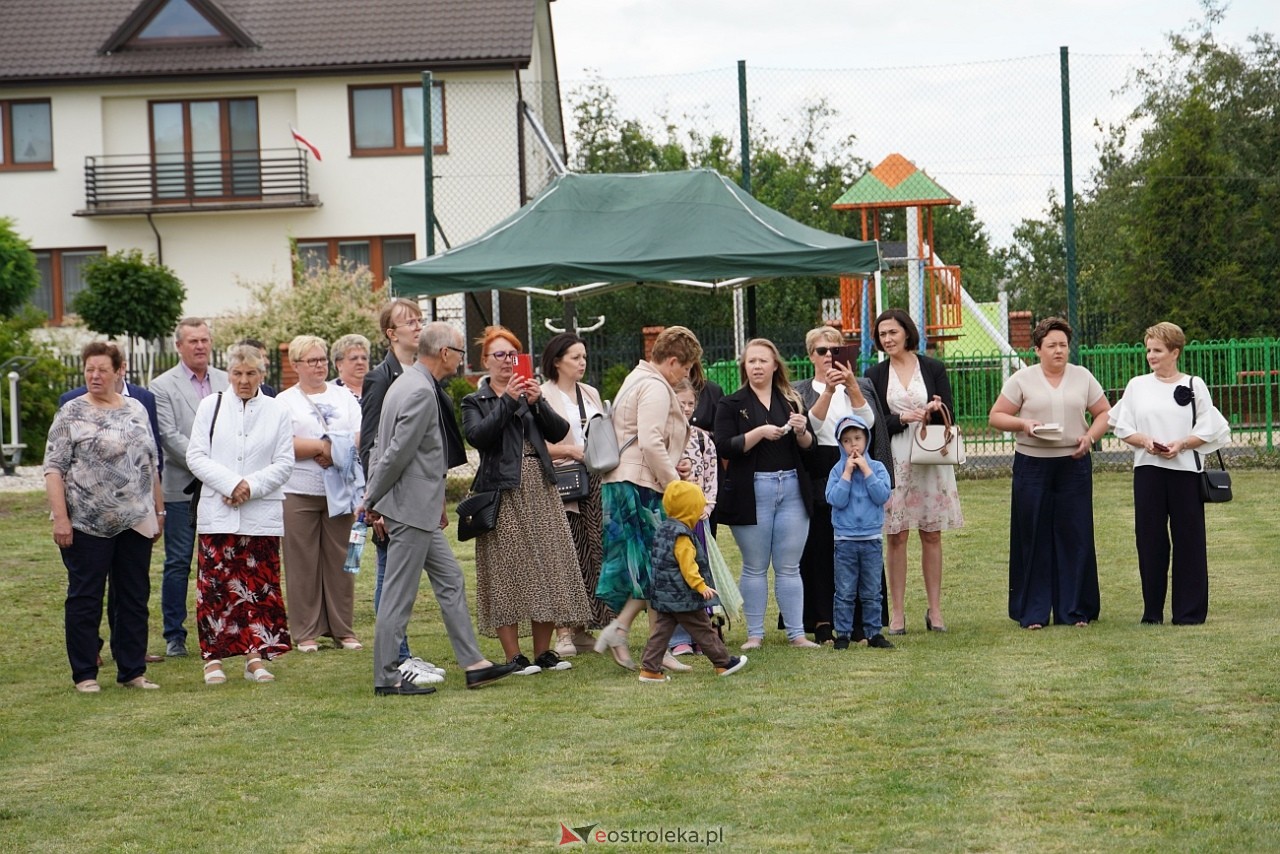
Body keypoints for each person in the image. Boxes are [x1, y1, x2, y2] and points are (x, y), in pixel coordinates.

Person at [364, 330, 519, 696]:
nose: (462, 359)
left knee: (451, 580)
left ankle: (474, 664)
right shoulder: (418, 390)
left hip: (415, 507)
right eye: (460, 352)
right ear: (445, 352)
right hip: (410, 509)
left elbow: (379, 447)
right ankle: (386, 676)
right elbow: (397, 452)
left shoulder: (408, 383)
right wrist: (372, 498)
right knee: (398, 596)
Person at [461, 325, 594, 675]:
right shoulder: (475, 401)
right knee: (506, 571)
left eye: (513, 355)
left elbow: (558, 432)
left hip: (541, 487)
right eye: (500, 355)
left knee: (546, 566)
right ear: (485, 361)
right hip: (502, 490)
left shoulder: (531, 396)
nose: (507, 362)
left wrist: (537, 403)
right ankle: (513, 656)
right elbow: (479, 436)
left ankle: (543, 652)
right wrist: (507, 401)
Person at [45, 342, 163, 692]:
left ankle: (132, 670)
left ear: (118, 371)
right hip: (86, 523)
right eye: (89, 370)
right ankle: (84, 673)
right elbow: (53, 469)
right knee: (86, 597)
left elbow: (151, 463)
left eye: (101, 369)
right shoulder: (71, 412)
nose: (94, 376)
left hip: (136, 521)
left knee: (133, 596)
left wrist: (158, 511)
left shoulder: (138, 409)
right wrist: (60, 518)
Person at [988, 317, 1111, 629]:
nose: (1059, 351)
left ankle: (1075, 610)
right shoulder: (1022, 380)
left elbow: (1104, 413)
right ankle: (1034, 612)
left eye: (1063, 345)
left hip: (1074, 464)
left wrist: (1090, 438)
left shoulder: (1082, 377)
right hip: (1032, 466)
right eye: (1052, 345)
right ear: (1037, 350)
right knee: (1034, 535)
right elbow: (997, 416)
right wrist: (1024, 424)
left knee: (1076, 535)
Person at [593, 326, 703, 670]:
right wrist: (676, 486)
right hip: (639, 484)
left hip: (628, 481)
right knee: (655, 567)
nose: (686, 375)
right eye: (685, 368)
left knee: (649, 569)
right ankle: (627, 633)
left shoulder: (636, 377)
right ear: (672, 361)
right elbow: (651, 442)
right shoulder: (655, 387)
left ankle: (645, 643)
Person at [185, 345, 295, 684]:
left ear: (262, 375)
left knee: (257, 590)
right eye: (237, 374)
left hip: (259, 514)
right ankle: (213, 658)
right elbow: (197, 456)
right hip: (218, 511)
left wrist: (250, 486)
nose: (244, 381)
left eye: (250, 374)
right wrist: (231, 485)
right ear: (228, 374)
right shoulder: (211, 406)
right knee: (215, 587)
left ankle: (255, 656)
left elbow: (284, 462)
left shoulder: (277, 410)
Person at [1110, 321, 1231, 625]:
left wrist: (1183, 443)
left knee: (1189, 540)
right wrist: (1146, 442)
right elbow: (1123, 426)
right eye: (1148, 349)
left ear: (1175, 352)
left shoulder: (1194, 384)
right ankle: (1152, 612)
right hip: (1148, 472)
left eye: (1158, 350)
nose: (1151, 355)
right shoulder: (1137, 385)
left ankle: (1189, 613)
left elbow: (1213, 428)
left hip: (1185, 474)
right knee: (1149, 540)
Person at [865, 309, 964, 634]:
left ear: (907, 332)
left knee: (931, 533)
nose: (888, 339)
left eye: (892, 332)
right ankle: (896, 613)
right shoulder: (875, 373)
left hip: (929, 456)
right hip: (892, 457)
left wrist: (933, 411)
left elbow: (948, 409)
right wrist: (901, 419)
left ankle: (935, 611)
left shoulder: (933, 367)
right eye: (882, 335)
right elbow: (875, 421)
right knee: (896, 535)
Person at [714, 338, 817, 650]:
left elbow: (810, 449)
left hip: (792, 489)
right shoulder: (731, 404)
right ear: (744, 367)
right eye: (751, 361)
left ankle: (797, 634)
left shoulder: (793, 401)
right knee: (754, 565)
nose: (757, 366)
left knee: (789, 566)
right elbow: (723, 445)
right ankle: (754, 634)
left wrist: (801, 430)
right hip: (752, 489)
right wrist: (757, 434)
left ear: (775, 365)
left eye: (762, 361)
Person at [794, 325, 892, 644]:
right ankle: (822, 620)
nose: (828, 357)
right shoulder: (801, 389)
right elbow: (812, 426)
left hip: (859, 469)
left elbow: (872, 422)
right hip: (821, 470)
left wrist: (850, 386)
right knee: (821, 549)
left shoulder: (861, 384)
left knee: (863, 548)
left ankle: (866, 624)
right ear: (811, 356)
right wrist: (828, 391)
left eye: (835, 350)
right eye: (821, 351)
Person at [278, 335, 363, 653]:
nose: (318, 366)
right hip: (299, 491)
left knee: (344, 560)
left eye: (322, 360)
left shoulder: (344, 397)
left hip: (341, 491)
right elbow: (283, 443)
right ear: (296, 365)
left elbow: (360, 434)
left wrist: (333, 450)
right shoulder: (284, 401)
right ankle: (306, 631)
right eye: (311, 361)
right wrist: (322, 447)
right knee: (302, 563)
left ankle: (344, 628)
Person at [151, 317, 229, 657]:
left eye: (204, 340)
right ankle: (174, 635)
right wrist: (211, 468)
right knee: (179, 561)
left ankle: (222, 630)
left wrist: (223, 476)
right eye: (192, 341)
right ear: (179, 346)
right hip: (183, 487)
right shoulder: (161, 386)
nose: (200, 346)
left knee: (222, 561)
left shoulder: (228, 380)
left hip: (225, 488)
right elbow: (169, 437)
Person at [539, 332, 612, 658]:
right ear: (557, 361)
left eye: (584, 357)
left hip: (594, 483)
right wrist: (570, 450)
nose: (582, 362)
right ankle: (563, 631)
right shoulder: (542, 395)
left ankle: (584, 627)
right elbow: (535, 445)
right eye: (575, 357)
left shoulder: (591, 393)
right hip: (561, 483)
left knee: (591, 555)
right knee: (563, 557)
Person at [360, 298, 424, 666]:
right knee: (389, 574)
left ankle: (402, 654)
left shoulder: (420, 373)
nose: (418, 326)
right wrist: (376, 502)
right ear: (391, 333)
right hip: (390, 498)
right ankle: (395, 657)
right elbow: (370, 444)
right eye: (409, 322)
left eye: (419, 320)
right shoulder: (380, 378)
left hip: (417, 495)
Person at [638, 480, 748, 683]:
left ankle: (650, 669)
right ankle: (723, 662)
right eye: (698, 507)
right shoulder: (682, 537)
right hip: (683, 596)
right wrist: (700, 586)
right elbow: (687, 567)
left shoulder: (664, 529)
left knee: (661, 632)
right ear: (689, 510)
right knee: (703, 629)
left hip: (663, 594)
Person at [826, 415, 894, 650]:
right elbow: (835, 499)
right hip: (844, 541)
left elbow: (882, 495)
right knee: (844, 590)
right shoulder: (837, 470)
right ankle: (843, 633)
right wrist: (846, 475)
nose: (853, 444)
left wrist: (866, 471)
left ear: (866, 439)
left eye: (857, 438)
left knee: (872, 590)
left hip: (871, 540)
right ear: (840, 444)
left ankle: (874, 632)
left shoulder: (877, 468)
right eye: (846, 440)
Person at [665, 378, 717, 667]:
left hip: (699, 519)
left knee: (700, 574)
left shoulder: (701, 438)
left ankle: (700, 633)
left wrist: (705, 506)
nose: (685, 408)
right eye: (680, 402)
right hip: (673, 521)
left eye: (690, 403)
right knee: (677, 576)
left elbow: (711, 476)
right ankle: (677, 638)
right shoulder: (663, 437)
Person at [331, 333, 371, 402]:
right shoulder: (330, 393)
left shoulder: (378, 389)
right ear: (339, 364)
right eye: (354, 358)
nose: (360, 362)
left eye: (364, 358)